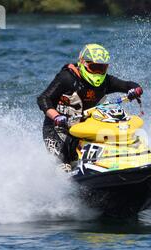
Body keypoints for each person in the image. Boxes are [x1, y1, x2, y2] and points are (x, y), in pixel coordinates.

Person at [37, 44, 143, 172]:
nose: (98, 72)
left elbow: (127, 84)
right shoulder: (67, 78)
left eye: (102, 68)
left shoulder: (105, 82)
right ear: (83, 63)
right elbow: (43, 98)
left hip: (86, 129)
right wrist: (57, 117)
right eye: (94, 67)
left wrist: (135, 90)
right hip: (57, 129)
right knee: (64, 166)